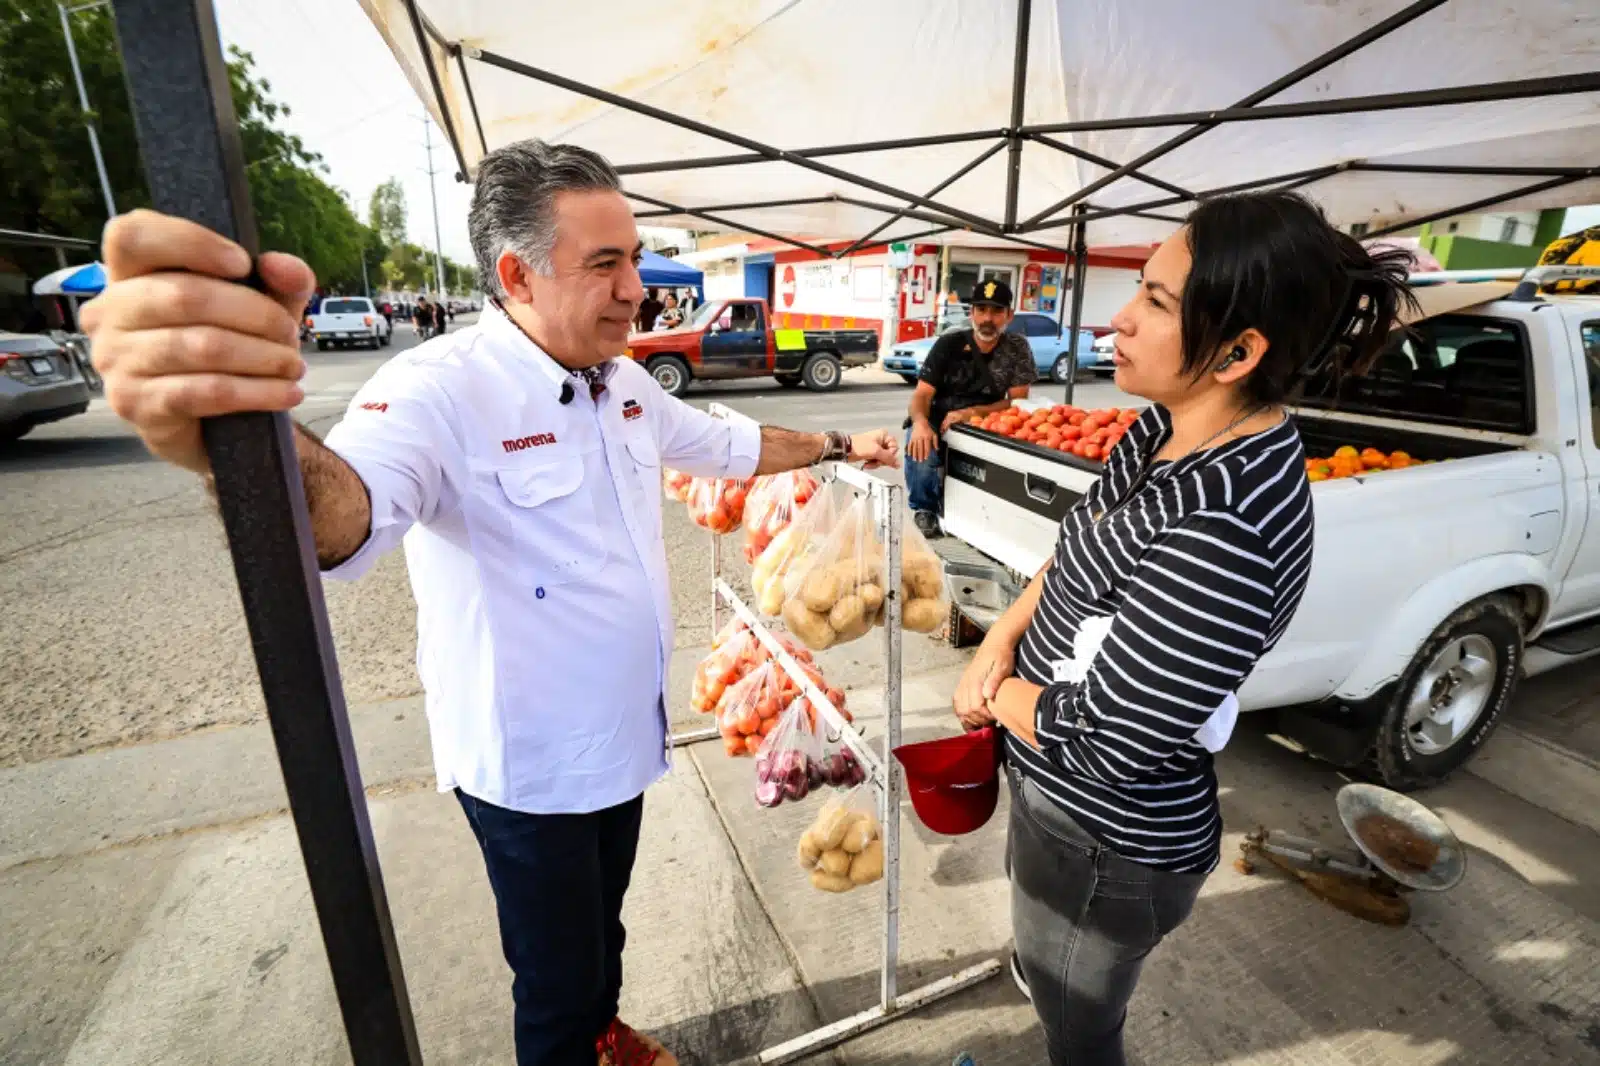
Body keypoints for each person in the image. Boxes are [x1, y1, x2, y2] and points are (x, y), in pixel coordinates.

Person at [83, 138, 898, 1066]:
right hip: (532, 774)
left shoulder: (624, 381)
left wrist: (838, 441)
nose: (637, 288)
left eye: (633, 258)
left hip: (628, 741)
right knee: (552, 982)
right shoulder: (436, 392)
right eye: (606, 264)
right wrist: (247, 434)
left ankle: (607, 1035)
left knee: (603, 937)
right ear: (517, 272)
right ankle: (577, 1040)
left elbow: (730, 448)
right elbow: (341, 514)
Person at [950, 190, 1414, 1066]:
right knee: (1048, 984)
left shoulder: (1224, 524)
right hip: (1056, 800)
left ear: (1239, 352)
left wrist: (994, 693)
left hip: (1107, 843)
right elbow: (1077, 548)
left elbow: (1112, 744)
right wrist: (1006, 631)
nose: (1117, 321)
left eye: (1156, 302)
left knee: (1077, 1025)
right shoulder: (1164, 431)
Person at [904, 279, 1035, 537]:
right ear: (972, 313)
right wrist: (920, 423)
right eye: (982, 310)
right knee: (918, 442)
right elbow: (922, 394)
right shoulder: (948, 344)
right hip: (939, 419)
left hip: (987, 422)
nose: (988, 318)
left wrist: (972, 413)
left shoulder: (1017, 348)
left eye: (997, 311)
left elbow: (1018, 401)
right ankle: (925, 510)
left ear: (1009, 315)